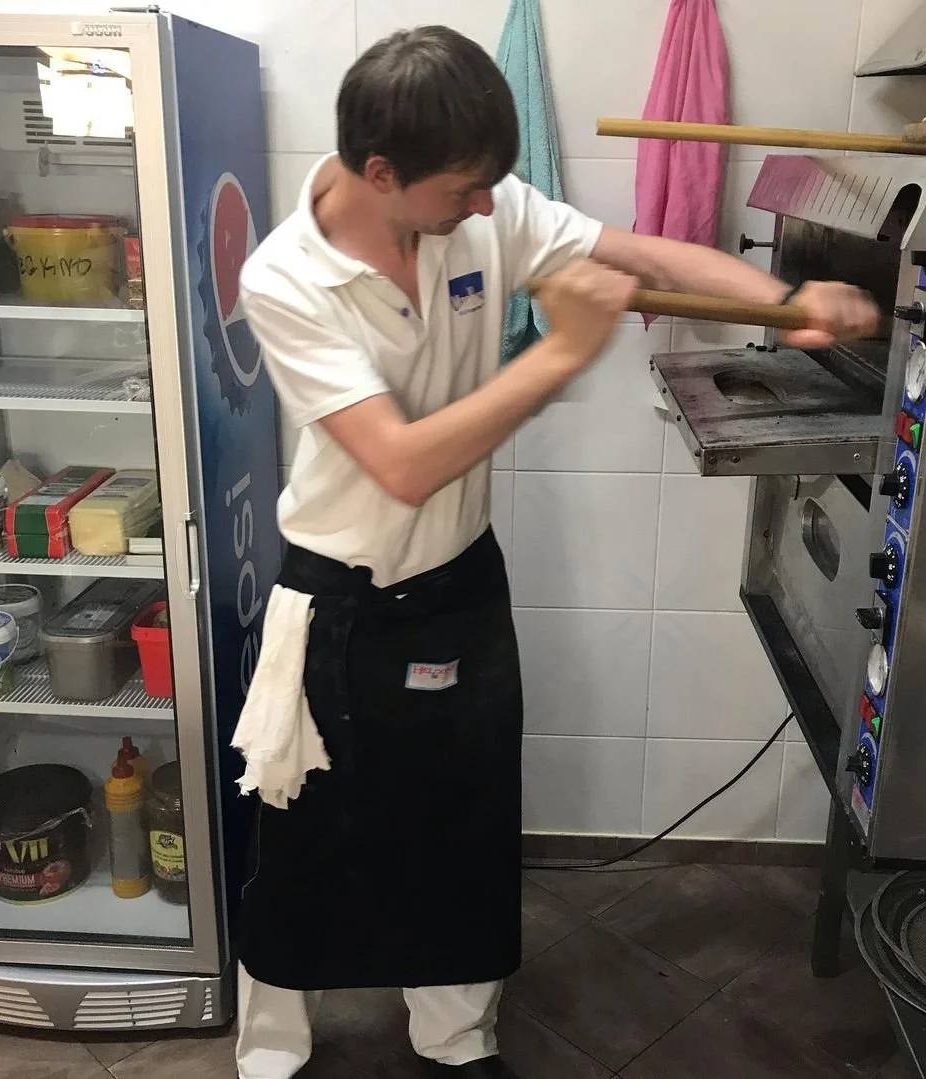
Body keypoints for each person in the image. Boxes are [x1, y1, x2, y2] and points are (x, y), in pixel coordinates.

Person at [233, 24, 879, 1079]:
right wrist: (568, 352)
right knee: (304, 825)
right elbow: (401, 463)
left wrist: (784, 301)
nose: (488, 207)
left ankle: (455, 1037)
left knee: (462, 821)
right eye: (464, 190)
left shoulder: (477, 204)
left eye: (494, 185)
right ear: (380, 171)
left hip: (457, 581)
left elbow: (636, 250)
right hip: (339, 596)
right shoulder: (287, 280)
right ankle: (271, 1050)